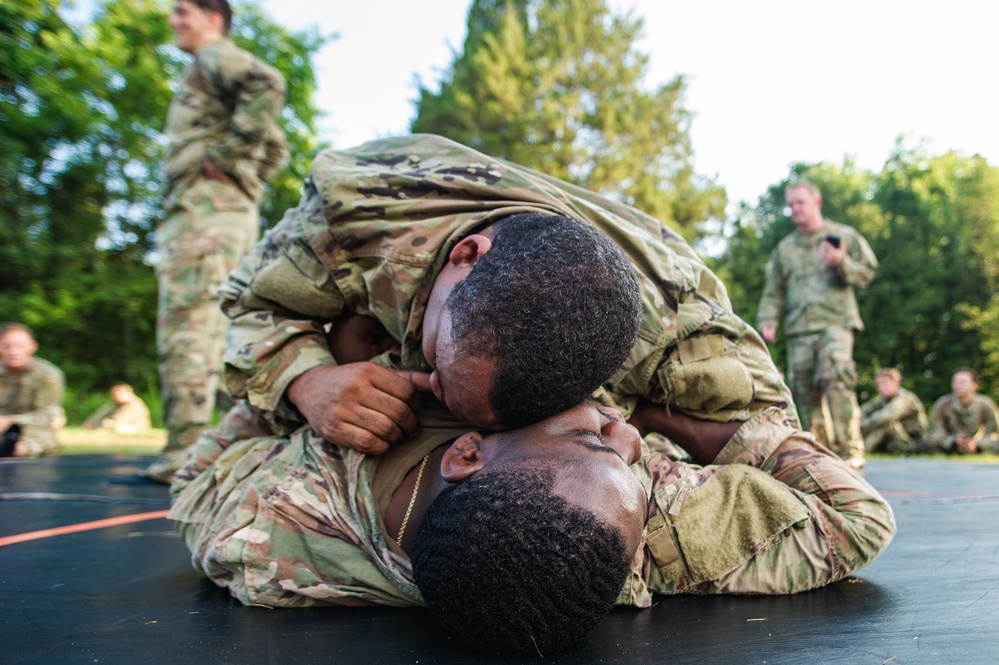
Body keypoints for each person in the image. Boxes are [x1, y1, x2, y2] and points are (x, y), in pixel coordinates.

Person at [210, 134, 794, 479]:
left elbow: (791, 452)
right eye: (439, 356)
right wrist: (308, 381)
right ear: (464, 254)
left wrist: (647, 427)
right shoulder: (367, 209)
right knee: (349, 339)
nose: (425, 382)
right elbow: (247, 303)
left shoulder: (679, 324)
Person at [168, 394, 896, 657]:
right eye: (612, 448)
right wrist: (668, 417)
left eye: (598, 439)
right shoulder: (648, 533)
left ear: (466, 452)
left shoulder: (266, 534)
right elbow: (858, 518)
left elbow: (194, 475)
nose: (627, 442)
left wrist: (310, 380)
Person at [145, 0, 289, 482]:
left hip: (203, 211)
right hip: (221, 211)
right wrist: (247, 178)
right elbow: (276, 146)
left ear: (214, 18)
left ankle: (184, 451)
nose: (174, 20)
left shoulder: (214, 58)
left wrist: (228, 159)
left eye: (183, 11)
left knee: (189, 323)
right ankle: (240, 440)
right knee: (228, 322)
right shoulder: (210, 74)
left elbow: (267, 84)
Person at [756, 180, 878, 469]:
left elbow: (868, 272)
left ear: (817, 203)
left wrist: (841, 262)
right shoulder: (785, 248)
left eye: (801, 203)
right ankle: (821, 453)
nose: (795, 209)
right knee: (803, 388)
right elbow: (773, 289)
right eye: (791, 204)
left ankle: (849, 448)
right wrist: (767, 319)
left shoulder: (842, 236)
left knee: (836, 373)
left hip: (835, 322)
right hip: (799, 328)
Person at [0, 323, 65, 458]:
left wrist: (10, 421)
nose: (13, 352)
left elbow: (48, 415)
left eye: (20, 346)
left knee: (34, 443)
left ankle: (11, 449)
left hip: (31, 428)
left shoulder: (48, 375)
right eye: (6, 346)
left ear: (32, 346)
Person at [927, 368, 999, 454]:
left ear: (974, 385)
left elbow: (993, 430)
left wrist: (978, 444)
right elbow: (935, 429)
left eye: (962, 382)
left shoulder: (985, 404)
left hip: (978, 443)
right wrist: (952, 441)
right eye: (955, 382)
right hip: (949, 443)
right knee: (927, 442)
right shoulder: (943, 404)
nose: (958, 385)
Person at [859, 368, 929, 454]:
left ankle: (862, 451)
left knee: (887, 424)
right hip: (896, 440)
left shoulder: (904, 398)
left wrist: (862, 425)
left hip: (913, 443)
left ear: (896, 382)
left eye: (885, 384)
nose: (881, 388)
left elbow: (886, 416)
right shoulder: (882, 399)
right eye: (879, 384)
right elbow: (862, 411)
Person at [83, 383, 152, 435]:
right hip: (116, 423)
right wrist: (92, 421)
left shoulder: (135, 404)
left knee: (116, 426)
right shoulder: (115, 403)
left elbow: (122, 419)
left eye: (117, 394)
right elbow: (101, 413)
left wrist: (106, 423)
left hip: (136, 427)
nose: (114, 396)